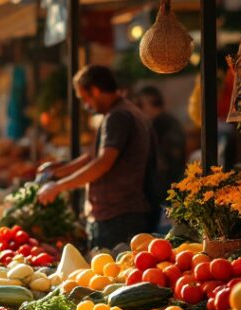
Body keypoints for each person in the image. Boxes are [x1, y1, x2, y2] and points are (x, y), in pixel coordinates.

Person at [37, 65, 157, 251]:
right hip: (120, 214)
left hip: (118, 216)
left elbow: (103, 163)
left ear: (94, 90)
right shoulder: (122, 111)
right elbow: (92, 157)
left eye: (85, 99)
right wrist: (59, 171)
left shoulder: (118, 116)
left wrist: (59, 186)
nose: (87, 106)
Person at [135, 86, 187, 230]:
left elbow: (169, 161)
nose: (138, 108)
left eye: (141, 104)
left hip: (165, 190)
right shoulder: (161, 123)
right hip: (164, 189)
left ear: (152, 103)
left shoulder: (163, 125)